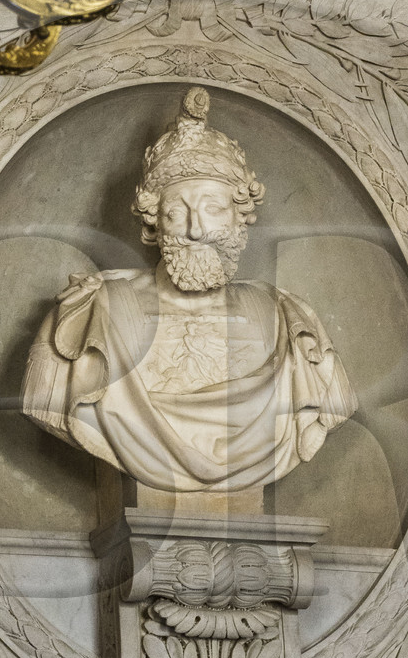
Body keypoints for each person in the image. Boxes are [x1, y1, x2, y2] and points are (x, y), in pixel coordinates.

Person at [24, 89, 356, 497]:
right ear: (154, 222)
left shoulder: (290, 318)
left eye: (214, 209)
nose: (196, 230)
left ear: (241, 217)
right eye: (177, 211)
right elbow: (45, 399)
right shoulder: (92, 312)